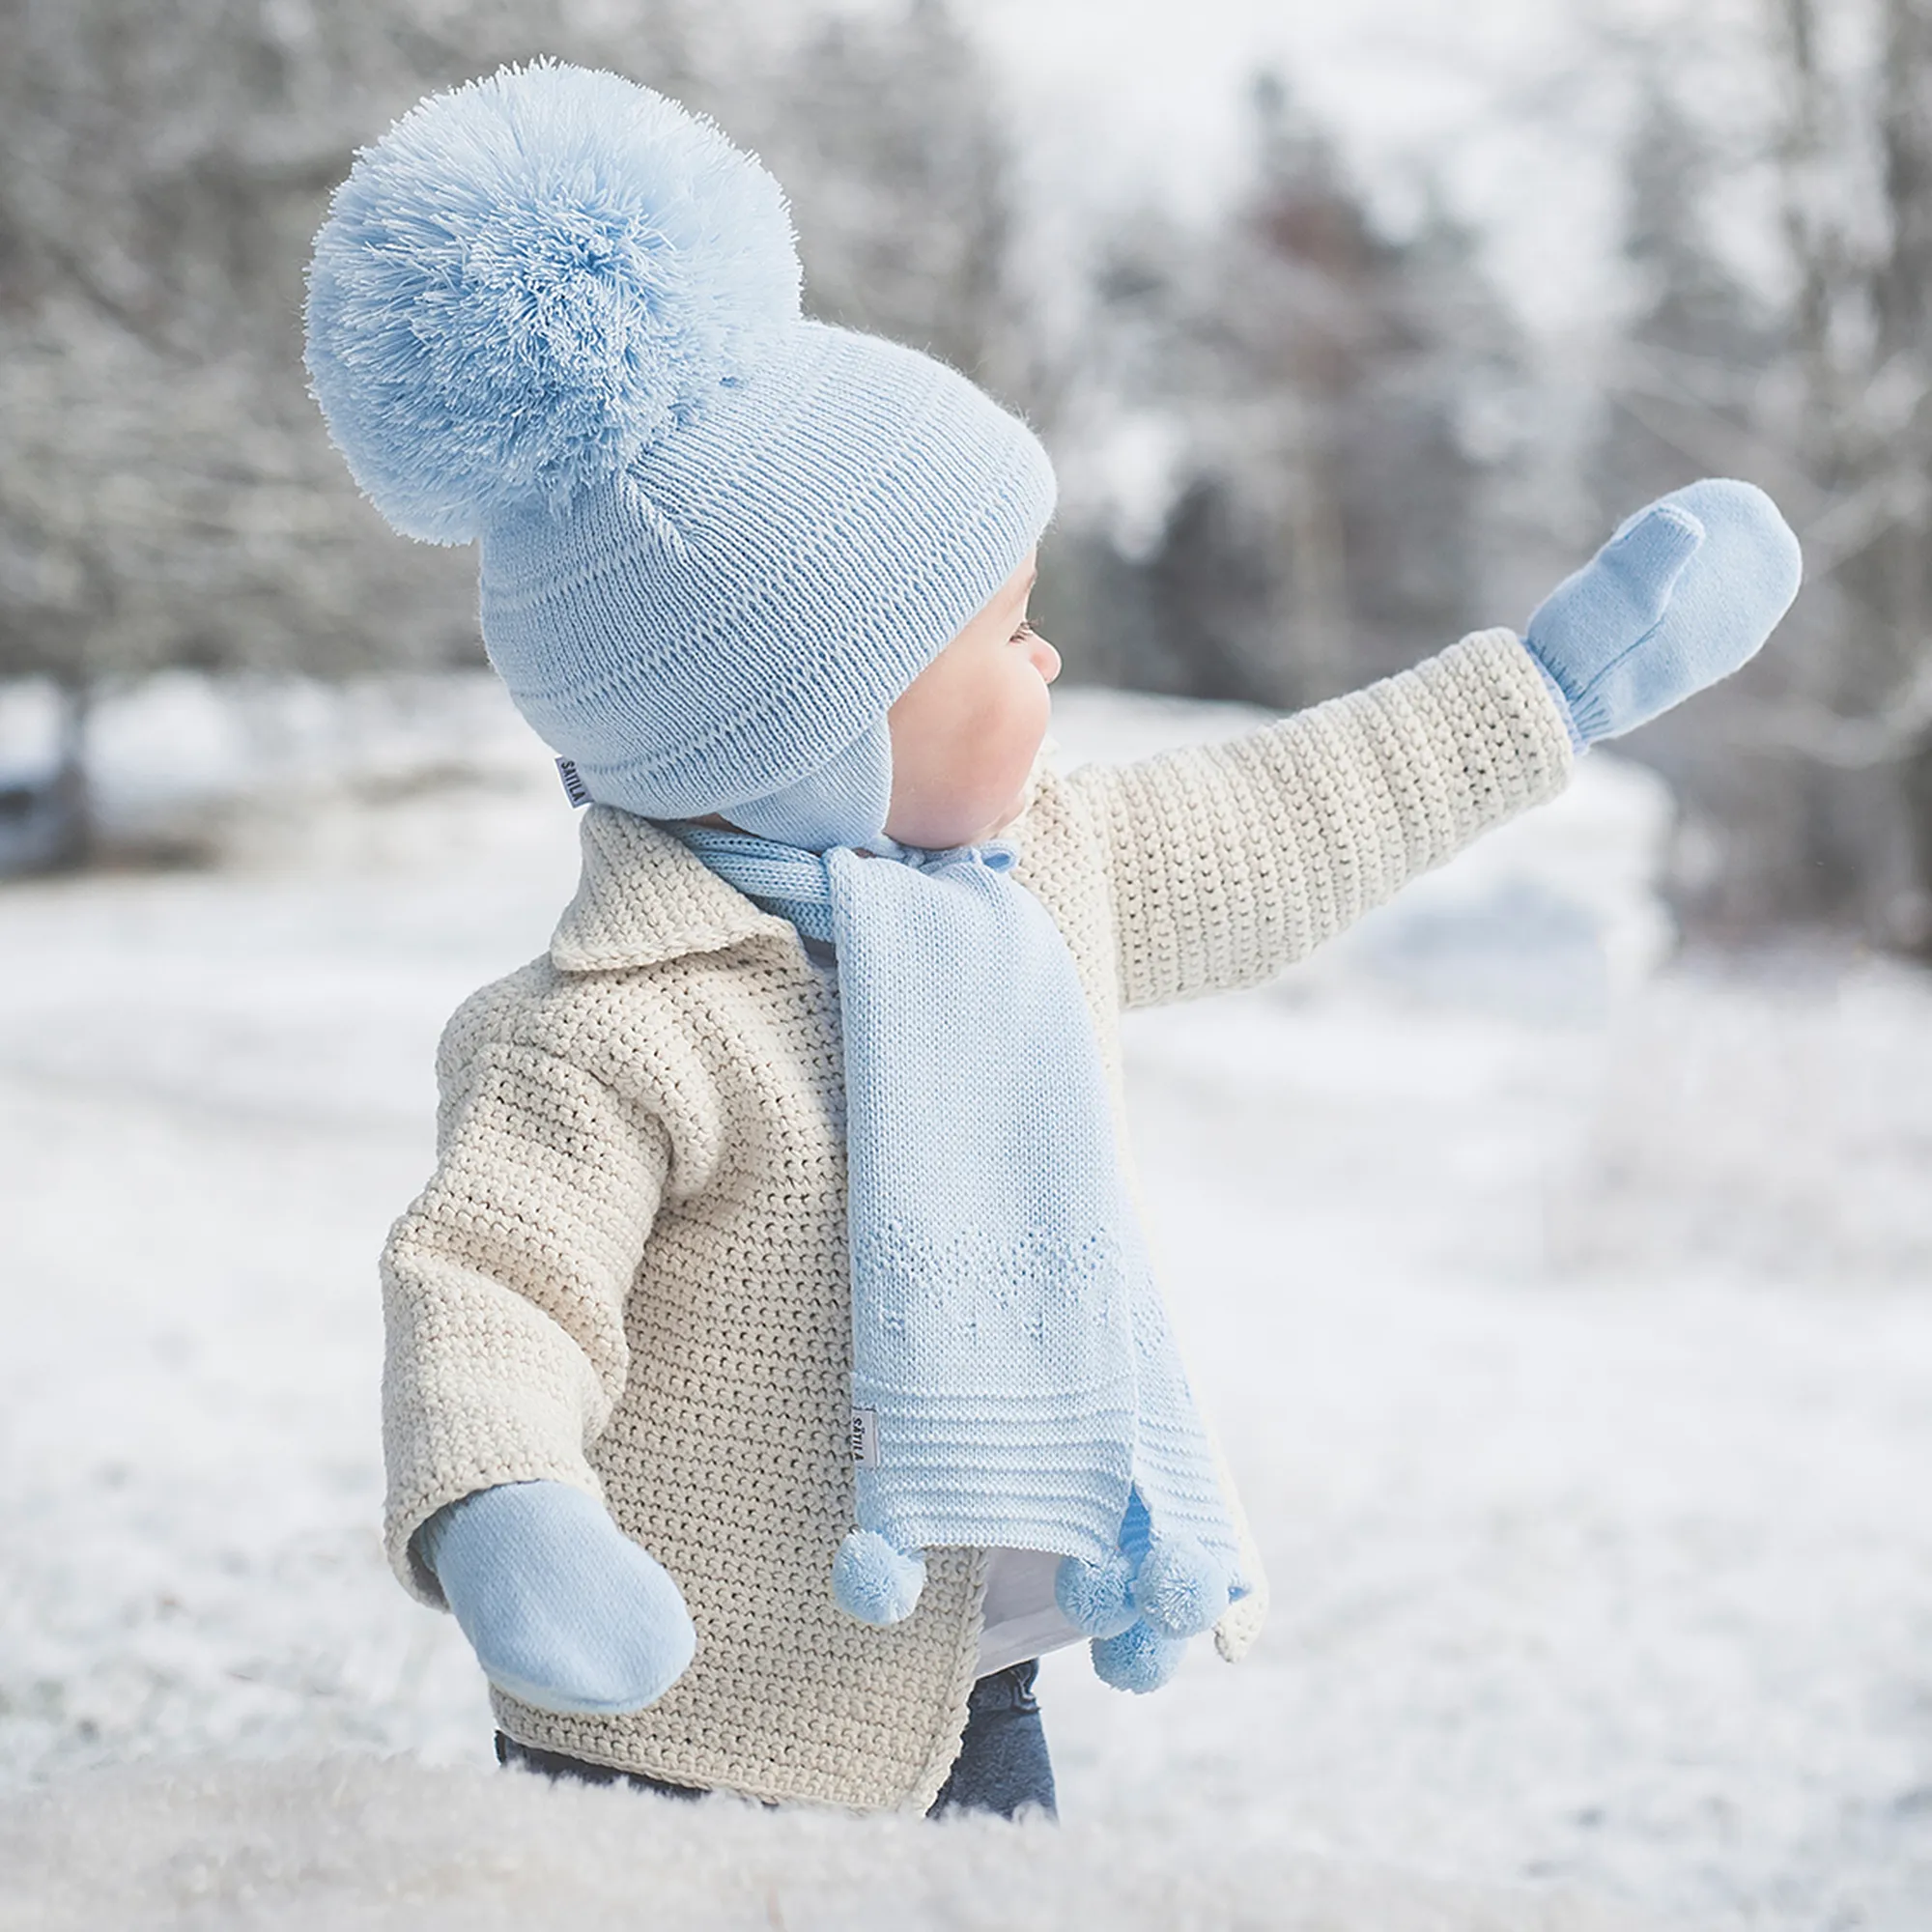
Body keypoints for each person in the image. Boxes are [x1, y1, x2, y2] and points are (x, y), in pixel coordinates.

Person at [303, 60, 1803, 1820]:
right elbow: (488, 1285)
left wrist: (1544, 690)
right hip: (674, 1728)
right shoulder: (621, 1028)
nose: (1051, 670)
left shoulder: (1037, 884)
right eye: (1005, 639)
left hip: (958, 1693)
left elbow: (1290, 818)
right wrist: (508, 1508)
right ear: (810, 725)